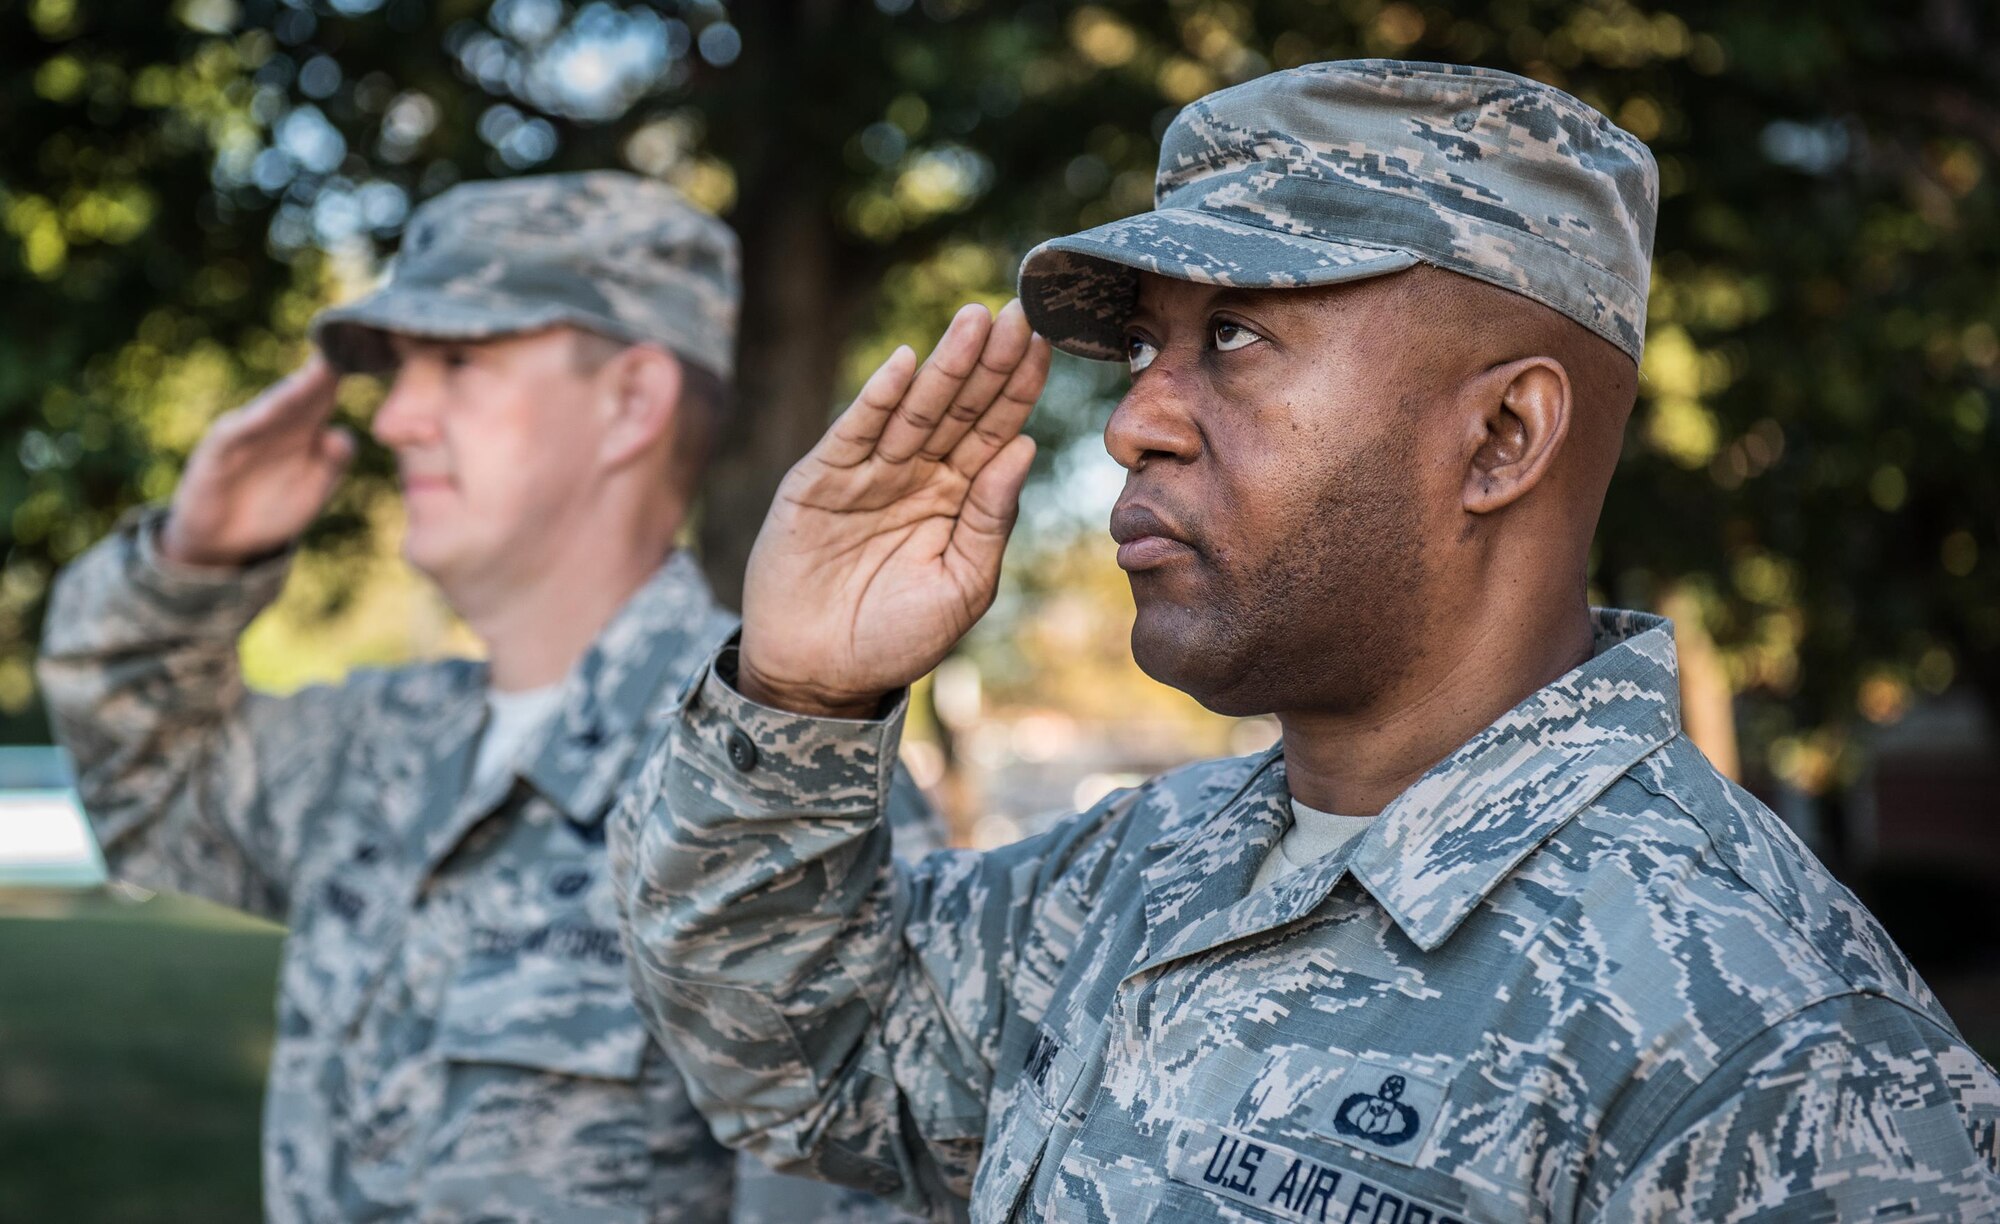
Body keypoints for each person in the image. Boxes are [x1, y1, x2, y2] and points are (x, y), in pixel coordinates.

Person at [612, 62, 2000, 1222]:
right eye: (1148, 345)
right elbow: (801, 1060)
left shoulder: (1774, 1043)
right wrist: (800, 691)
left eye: (1231, 336)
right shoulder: (1141, 871)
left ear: (1503, 437)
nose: (1132, 422)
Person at [38, 171, 938, 1223]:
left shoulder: (786, 778)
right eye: (402, 370)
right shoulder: (378, 743)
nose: (399, 420)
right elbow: (144, 788)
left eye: (458, 362)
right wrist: (189, 563)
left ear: (630, 405)